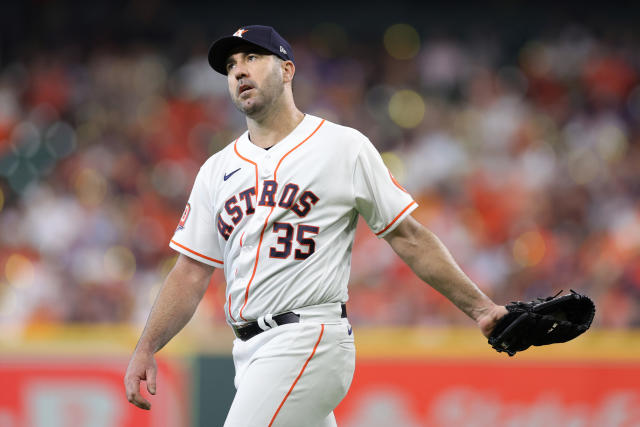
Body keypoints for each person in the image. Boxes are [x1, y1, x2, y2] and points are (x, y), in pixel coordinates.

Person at [124, 25, 508, 426]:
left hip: (307, 337)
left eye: (252, 58)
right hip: (250, 353)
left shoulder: (341, 146)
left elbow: (408, 236)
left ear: (287, 70)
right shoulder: (216, 169)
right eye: (231, 64)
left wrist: (481, 308)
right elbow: (190, 271)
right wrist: (146, 347)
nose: (239, 71)